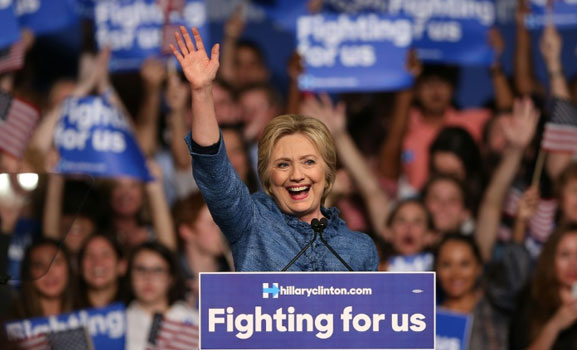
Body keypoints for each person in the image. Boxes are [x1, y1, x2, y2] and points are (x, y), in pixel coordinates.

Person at [170, 26, 378, 271]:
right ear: (267, 175)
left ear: (328, 171)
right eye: (283, 164)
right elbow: (213, 169)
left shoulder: (360, 249)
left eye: (309, 162)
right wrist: (202, 91)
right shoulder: (250, 223)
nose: (297, 175)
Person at [435, 233, 530, 350]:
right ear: (436, 269)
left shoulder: (496, 307)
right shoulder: (423, 315)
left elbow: (517, 273)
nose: (456, 274)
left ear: (478, 268)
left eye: (464, 264)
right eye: (446, 265)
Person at [125, 242, 196, 350]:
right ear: (130, 275)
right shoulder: (117, 323)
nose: (148, 277)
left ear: (171, 278)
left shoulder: (196, 320)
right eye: (141, 269)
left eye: (157, 270)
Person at [11, 238, 77, 318]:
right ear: (29, 273)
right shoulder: (11, 319)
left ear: (69, 268)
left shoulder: (87, 310)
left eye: (56, 262)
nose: (48, 272)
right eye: (39, 265)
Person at [78, 233, 126, 308]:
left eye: (105, 254)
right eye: (89, 255)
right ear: (80, 267)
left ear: (122, 265)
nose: (97, 262)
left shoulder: (134, 311)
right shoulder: (67, 313)